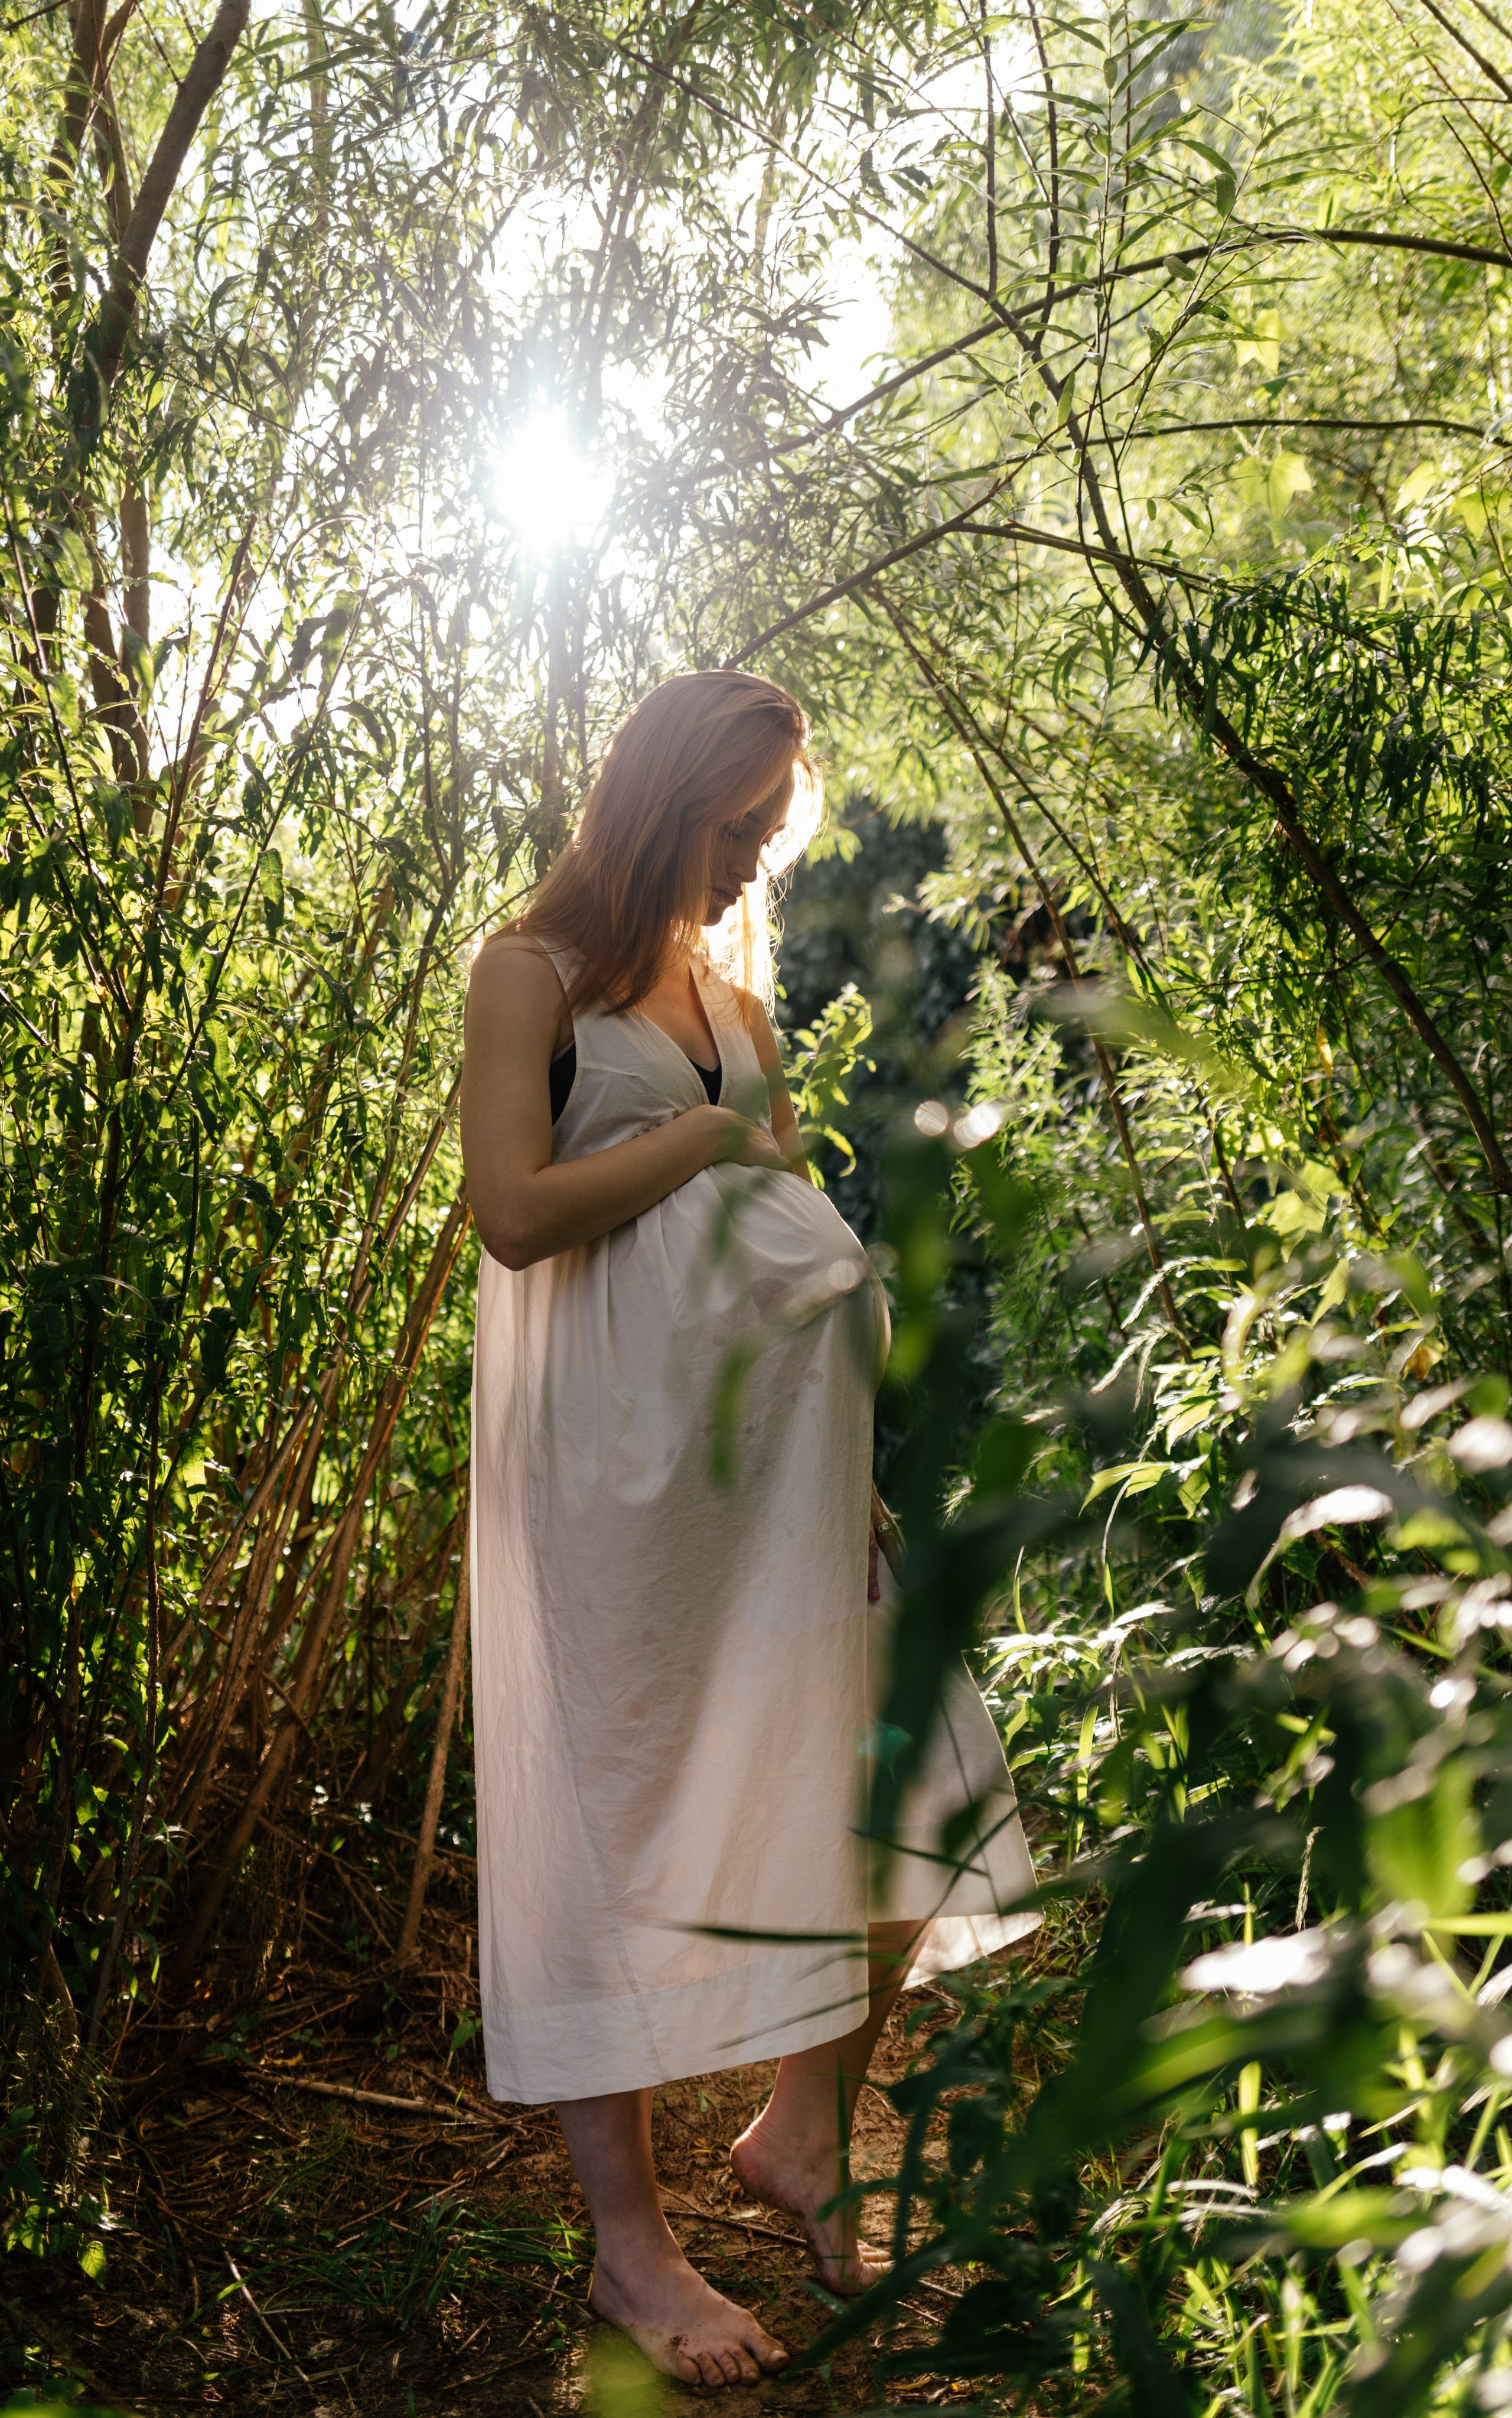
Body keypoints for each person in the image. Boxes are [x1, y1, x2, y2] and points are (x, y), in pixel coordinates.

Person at [460, 670, 1037, 2387]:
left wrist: (847, 1451)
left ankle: (799, 2123)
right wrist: (707, 1134)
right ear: (659, 804)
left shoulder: (733, 993)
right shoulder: (528, 977)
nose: (748, 866)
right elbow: (510, 1215)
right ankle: (630, 2256)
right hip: (612, 1484)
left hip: (780, 1476)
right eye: (734, 833)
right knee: (617, 1816)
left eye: (770, 839)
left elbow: (774, 1220)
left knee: (883, 1769)